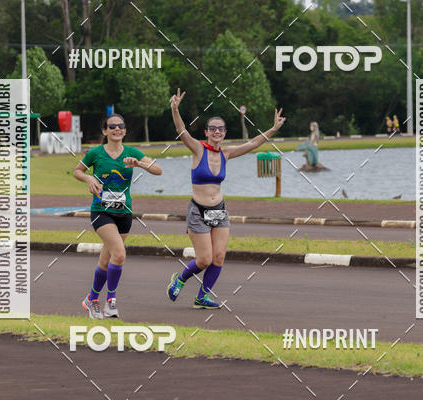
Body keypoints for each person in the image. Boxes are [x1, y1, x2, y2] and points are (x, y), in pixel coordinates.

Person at [166, 88, 286, 309]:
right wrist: (175, 109)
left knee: (219, 257)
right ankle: (180, 279)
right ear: (206, 132)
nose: (217, 132)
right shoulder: (198, 149)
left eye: (220, 129)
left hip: (219, 211)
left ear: (225, 132)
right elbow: (181, 131)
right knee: (204, 259)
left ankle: (202, 298)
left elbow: (253, 144)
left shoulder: (226, 153)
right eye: (212, 129)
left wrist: (273, 128)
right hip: (198, 211)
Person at [73, 113, 162, 319]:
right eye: (112, 126)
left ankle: (91, 299)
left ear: (125, 130)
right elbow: (77, 171)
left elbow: (158, 170)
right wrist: (89, 179)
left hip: (124, 213)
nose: (116, 129)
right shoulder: (95, 153)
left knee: (107, 260)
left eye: (120, 126)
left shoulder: (132, 152)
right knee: (120, 254)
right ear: (105, 131)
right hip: (101, 211)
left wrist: (139, 164)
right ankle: (110, 302)